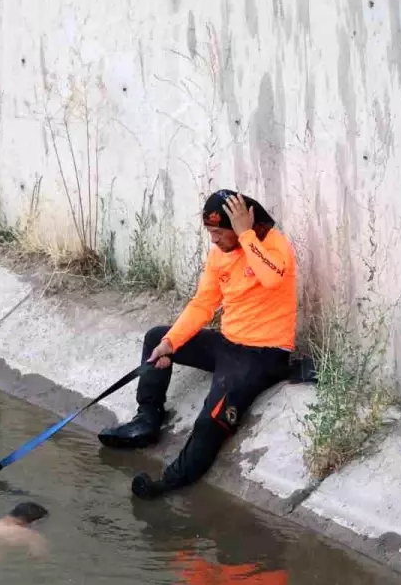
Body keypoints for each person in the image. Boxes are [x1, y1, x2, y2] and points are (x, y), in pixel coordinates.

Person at [99, 190, 298, 499]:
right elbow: (203, 304)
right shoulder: (219, 255)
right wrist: (171, 343)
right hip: (229, 343)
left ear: (241, 225)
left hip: (263, 354)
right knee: (157, 337)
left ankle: (169, 481)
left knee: (212, 415)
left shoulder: (273, 244)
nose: (214, 240)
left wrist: (246, 235)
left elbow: (272, 279)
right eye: (210, 233)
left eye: (219, 233)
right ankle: (147, 421)